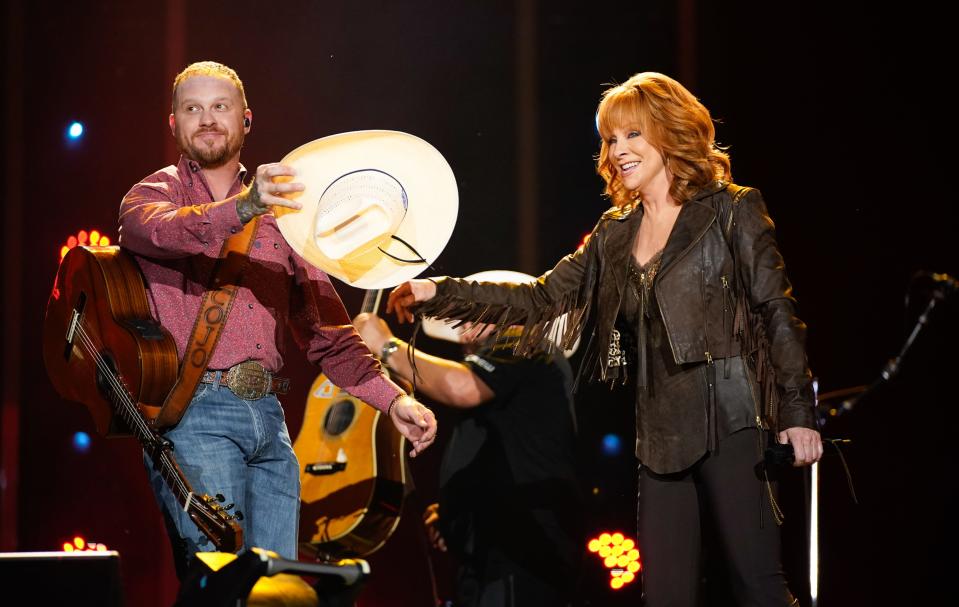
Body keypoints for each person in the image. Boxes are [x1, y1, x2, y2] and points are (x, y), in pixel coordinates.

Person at [387, 72, 822, 606]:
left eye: (632, 135)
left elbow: (777, 311)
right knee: (663, 595)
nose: (619, 151)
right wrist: (438, 289)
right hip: (659, 430)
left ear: (670, 132)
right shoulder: (615, 232)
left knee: (756, 583)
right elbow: (541, 298)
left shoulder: (731, 210)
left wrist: (799, 413)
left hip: (731, 415)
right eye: (611, 140)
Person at [117, 61, 436, 579]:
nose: (207, 119)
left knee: (280, 590)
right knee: (223, 586)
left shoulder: (288, 213)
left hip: (269, 417)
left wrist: (393, 399)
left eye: (220, 107)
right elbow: (157, 234)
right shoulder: (153, 196)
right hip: (194, 417)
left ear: (246, 120)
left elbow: (330, 336)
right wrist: (245, 207)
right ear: (172, 124)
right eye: (191, 109)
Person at [353, 271, 584, 606]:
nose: (461, 330)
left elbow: (461, 388)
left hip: (523, 556)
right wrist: (455, 512)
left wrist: (386, 346)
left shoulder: (526, 344)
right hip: (491, 560)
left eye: (469, 313)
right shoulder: (504, 375)